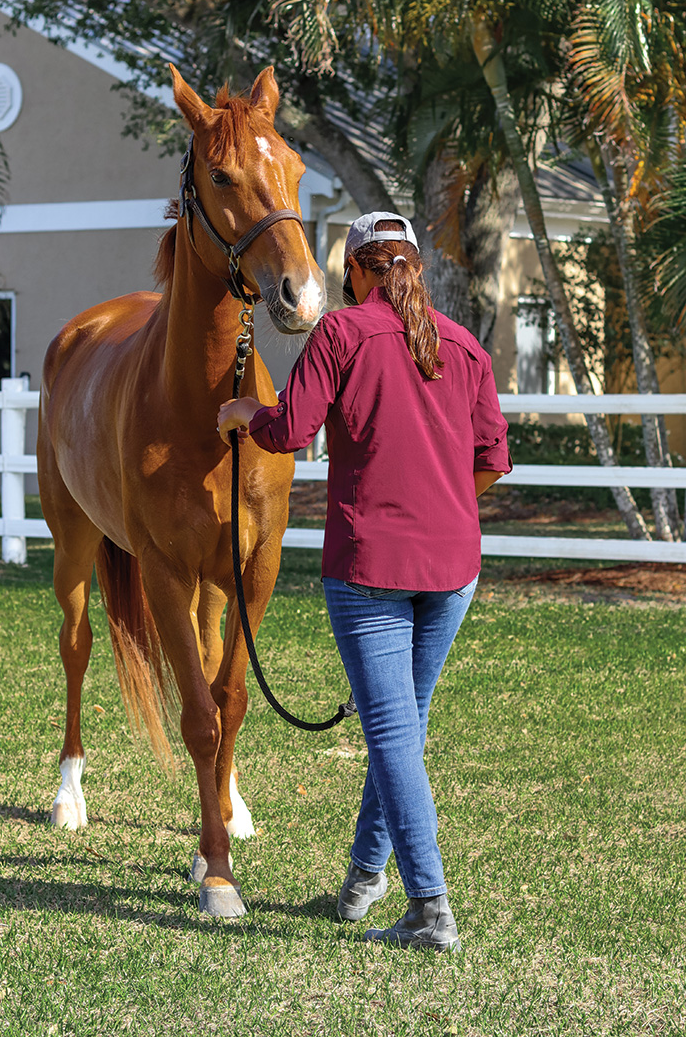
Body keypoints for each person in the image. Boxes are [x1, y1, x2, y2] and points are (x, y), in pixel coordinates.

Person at [217, 212, 511, 953]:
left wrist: (245, 410)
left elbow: (290, 432)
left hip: (371, 566)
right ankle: (360, 881)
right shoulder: (466, 345)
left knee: (393, 737)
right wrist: (441, 504)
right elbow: (492, 462)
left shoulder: (341, 334)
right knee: (402, 731)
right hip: (454, 569)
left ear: (356, 270)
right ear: (413, 267)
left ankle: (430, 909)